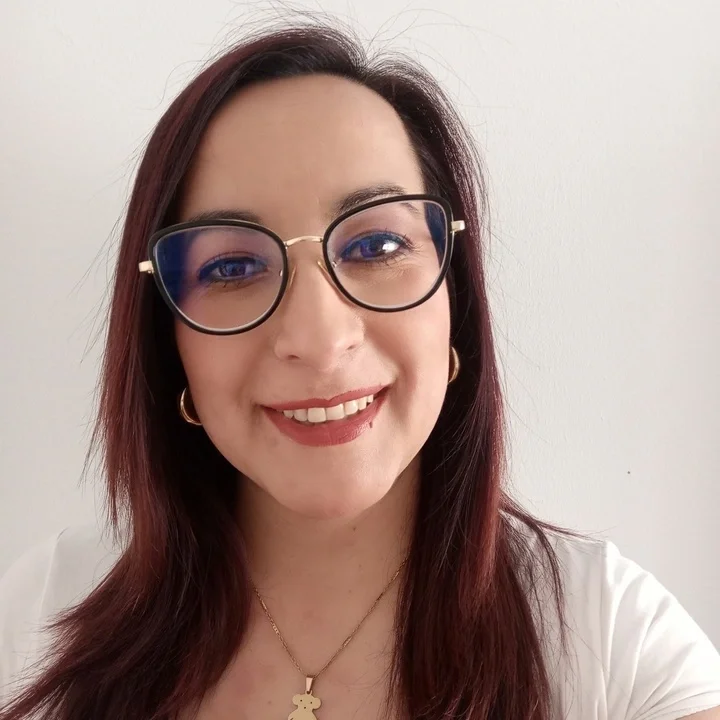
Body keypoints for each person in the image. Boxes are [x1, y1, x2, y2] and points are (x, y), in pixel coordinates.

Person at [1, 18, 719, 720]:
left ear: (455, 294)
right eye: (232, 267)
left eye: (377, 247)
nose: (319, 339)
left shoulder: (614, 642)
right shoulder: (41, 618)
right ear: (169, 340)